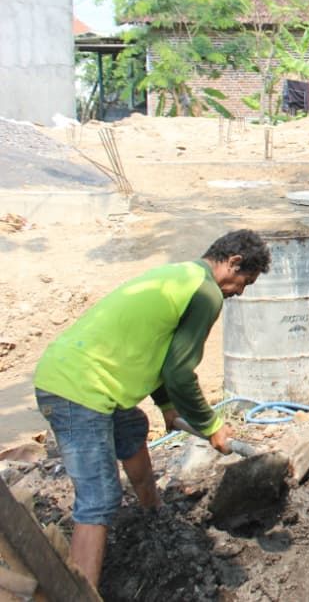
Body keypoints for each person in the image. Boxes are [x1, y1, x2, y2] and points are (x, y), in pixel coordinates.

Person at [32, 229, 271, 587]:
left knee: (132, 427)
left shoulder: (179, 275)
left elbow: (160, 354)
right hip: (78, 391)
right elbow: (178, 371)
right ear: (233, 262)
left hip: (75, 373)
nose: (240, 292)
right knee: (99, 501)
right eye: (244, 282)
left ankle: (154, 515)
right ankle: (80, 594)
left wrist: (167, 408)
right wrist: (211, 426)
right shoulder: (206, 293)